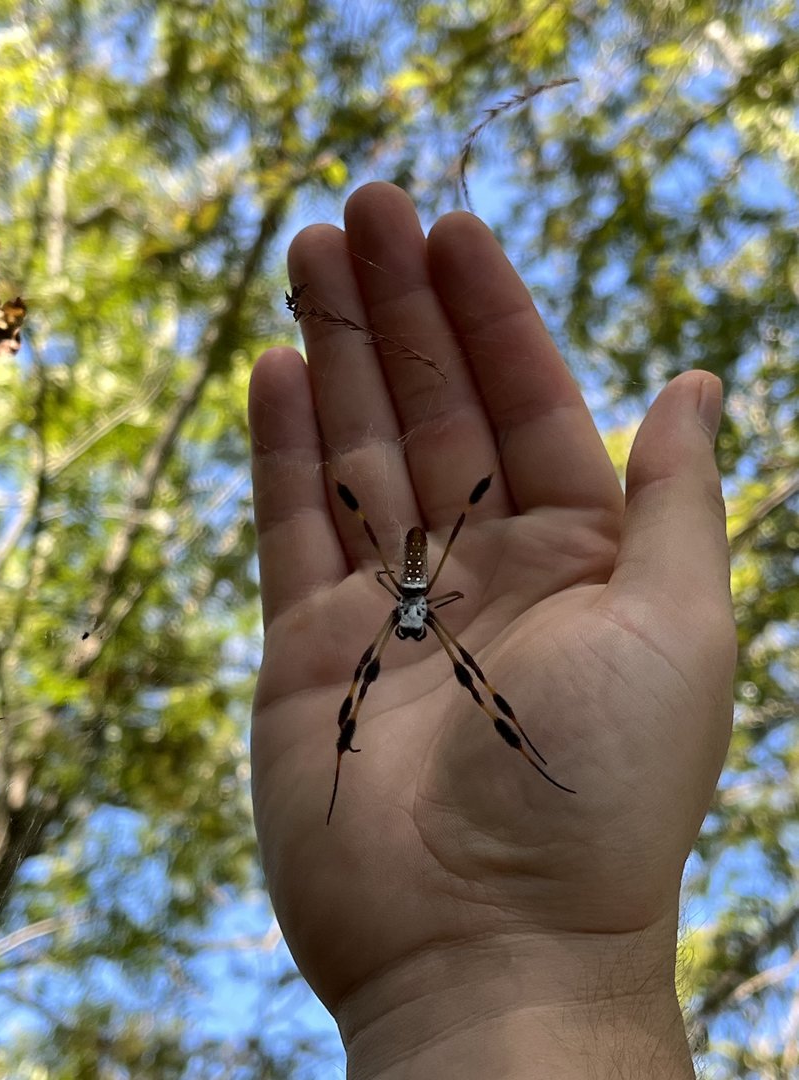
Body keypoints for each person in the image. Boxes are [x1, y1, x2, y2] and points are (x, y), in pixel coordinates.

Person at [248, 182, 736, 1078]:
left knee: (464, 678)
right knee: (363, 684)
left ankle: (531, 759)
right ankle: (351, 773)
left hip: (422, 579)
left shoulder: (428, 597)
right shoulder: (409, 604)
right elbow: (396, 626)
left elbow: (432, 620)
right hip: (415, 579)